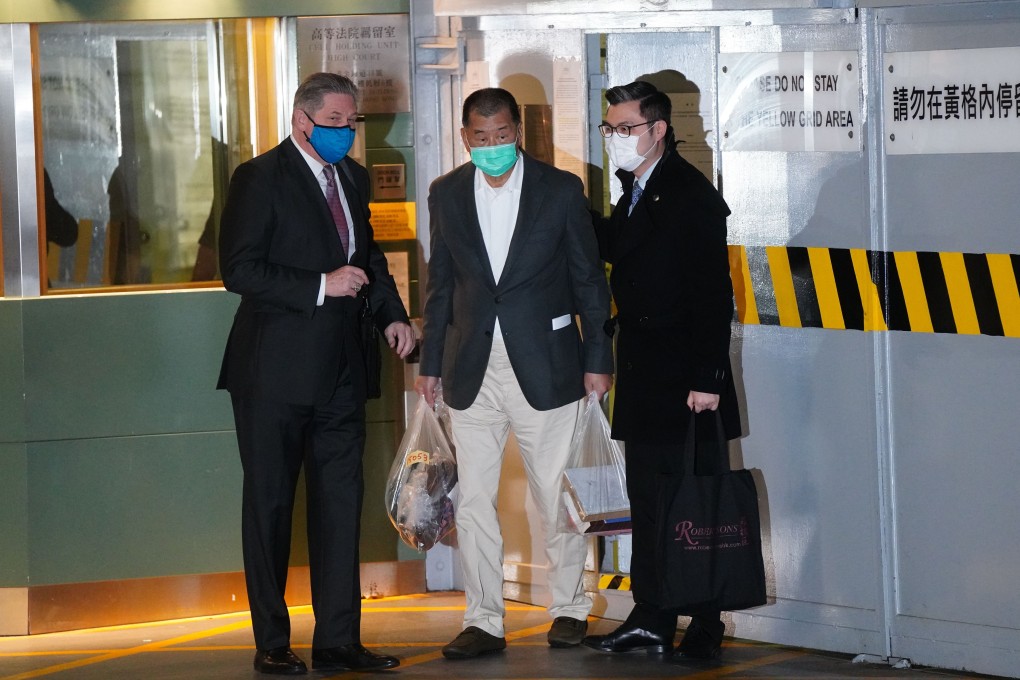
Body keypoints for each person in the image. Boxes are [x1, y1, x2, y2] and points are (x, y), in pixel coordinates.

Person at [217, 72, 414, 676]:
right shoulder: (259, 178)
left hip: (343, 371)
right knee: (270, 506)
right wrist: (320, 285)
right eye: (334, 122)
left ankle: (338, 640)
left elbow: (368, 256)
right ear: (301, 120)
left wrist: (391, 315)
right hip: (273, 372)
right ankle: (272, 642)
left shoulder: (352, 177)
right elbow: (239, 269)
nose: (345, 132)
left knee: (340, 506)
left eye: (351, 122)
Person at [415, 87, 614, 659]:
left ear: (518, 133)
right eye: (481, 137)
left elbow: (588, 280)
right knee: (473, 499)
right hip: (470, 366)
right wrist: (430, 364)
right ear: (465, 137)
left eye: (502, 135)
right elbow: (440, 284)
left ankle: (570, 607)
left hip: (548, 364)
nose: (492, 145)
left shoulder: (560, 190)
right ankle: (482, 618)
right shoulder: (446, 192)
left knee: (555, 495)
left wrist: (598, 360)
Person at [581, 80, 742, 661]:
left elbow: (713, 295)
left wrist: (707, 379)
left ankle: (704, 621)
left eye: (626, 128)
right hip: (646, 374)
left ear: (658, 130)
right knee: (650, 502)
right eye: (610, 128)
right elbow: (620, 246)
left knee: (693, 504)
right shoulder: (636, 187)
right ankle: (652, 615)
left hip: (686, 381)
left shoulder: (689, 194)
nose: (615, 138)